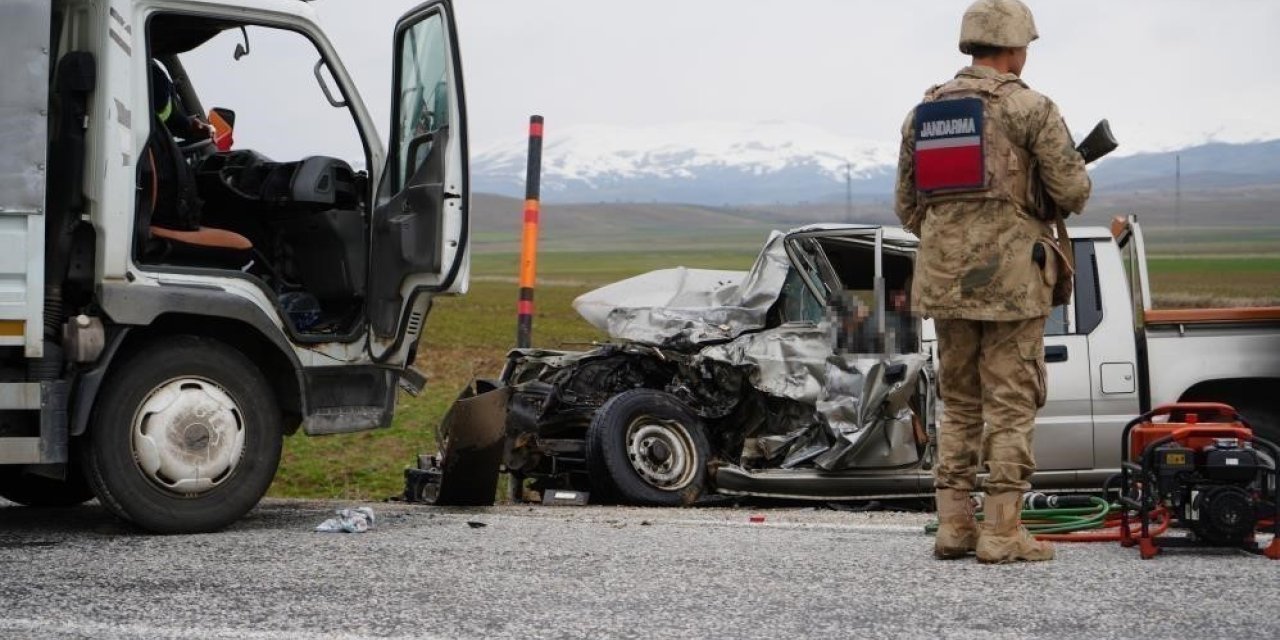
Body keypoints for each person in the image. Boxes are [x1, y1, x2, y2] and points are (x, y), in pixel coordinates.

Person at [894, 0, 1090, 563]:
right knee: (1009, 406)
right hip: (1011, 285)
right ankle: (1003, 534)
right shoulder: (1031, 108)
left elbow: (909, 208)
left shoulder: (923, 113)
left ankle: (954, 528)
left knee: (957, 405)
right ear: (1014, 47)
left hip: (944, 283)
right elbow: (1072, 193)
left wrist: (958, 236)